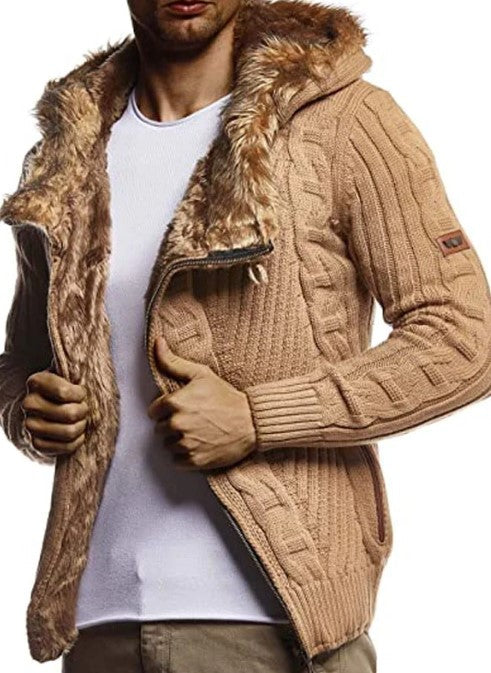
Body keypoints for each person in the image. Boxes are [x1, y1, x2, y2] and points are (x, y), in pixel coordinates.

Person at [1, 0, 491, 671]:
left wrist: (258, 417)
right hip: (96, 623)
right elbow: (23, 358)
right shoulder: (65, 153)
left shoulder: (345, 121)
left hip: (269, 624)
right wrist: (28, 410)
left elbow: (464, 337)